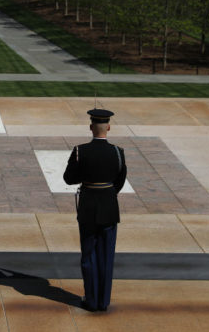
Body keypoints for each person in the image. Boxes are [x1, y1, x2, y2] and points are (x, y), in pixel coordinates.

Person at [63, 108, 127, 312]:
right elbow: (120, 180)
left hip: (89, 206)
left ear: (91, 127)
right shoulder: (118, 152)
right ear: (108, 127)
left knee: (89, 255)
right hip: (109, 206)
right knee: (106, 256)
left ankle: (91, 300)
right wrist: (106, 193)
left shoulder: (80, 151)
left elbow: (69, 178)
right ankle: (103, 301)